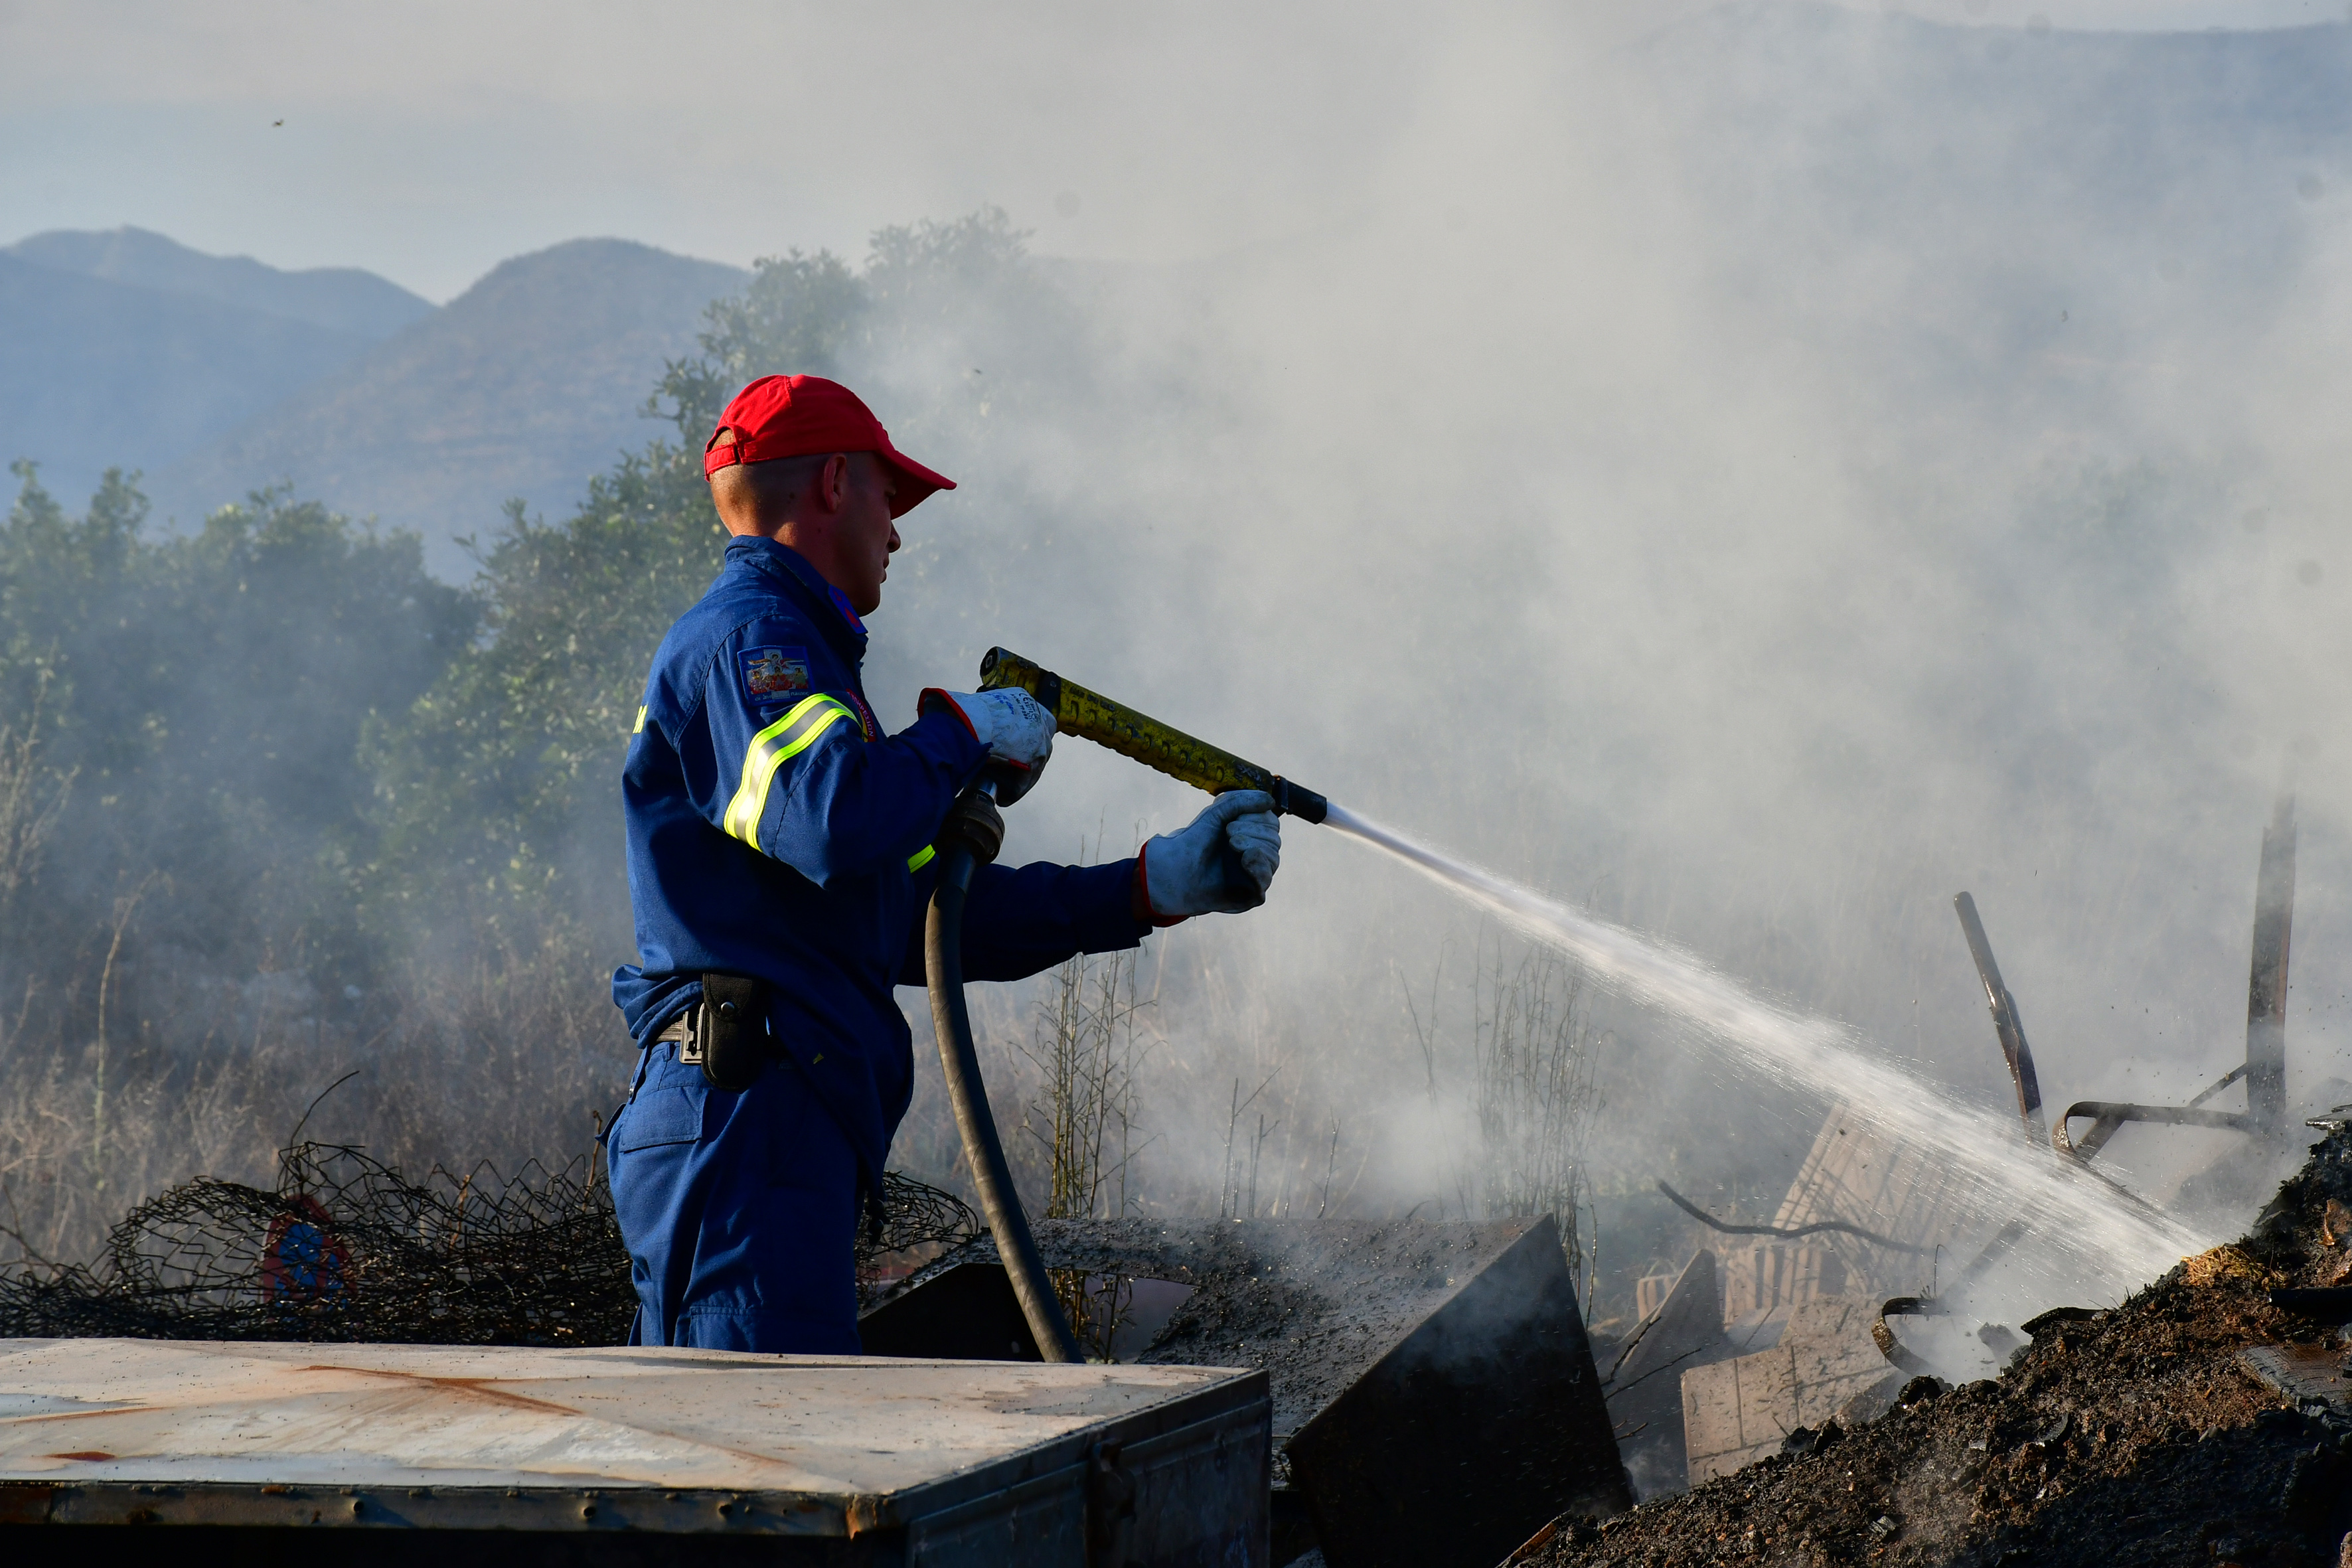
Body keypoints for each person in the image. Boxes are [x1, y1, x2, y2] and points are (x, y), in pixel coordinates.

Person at [605, 374, 1283, 1353]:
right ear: (835, 483)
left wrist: (1151, 885)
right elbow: (832, 818)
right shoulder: (754, 642)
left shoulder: (804, 661)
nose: (898, 533)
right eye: (891, 498)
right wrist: (958, 732)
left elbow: (921, 910)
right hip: (746, 1118)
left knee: (777, 1449)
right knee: (767, 1459)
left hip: (772, 1118)